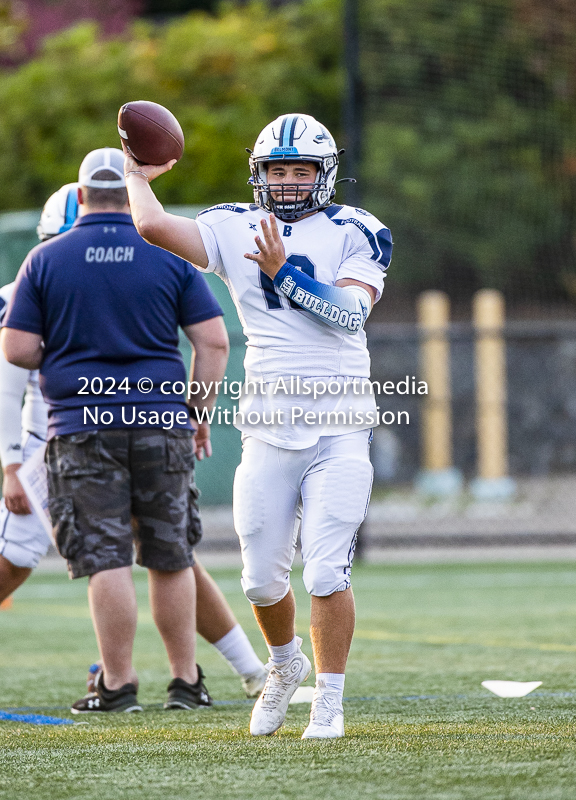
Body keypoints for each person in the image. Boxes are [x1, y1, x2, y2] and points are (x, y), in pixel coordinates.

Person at [0, 181, 266, 703]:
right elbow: (9, 390)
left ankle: (225, 671)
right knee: (143, 556)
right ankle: (212, 673)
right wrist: (14, 464)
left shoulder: (60, 267)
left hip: (83, 439)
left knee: (158, 556)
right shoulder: (53, 276)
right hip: (53, 446)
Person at [122, 113, 392, 738]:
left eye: (302, 170)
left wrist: (285, 277)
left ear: (325, 174)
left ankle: (330, 697)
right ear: (259, 174)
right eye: (278, 170)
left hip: (340, 421)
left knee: (326, 569)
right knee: (260, 577)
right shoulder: (230, 223)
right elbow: (152, 225)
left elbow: (349, 316)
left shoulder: (358, 230)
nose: (290, 182)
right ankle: (283, 663)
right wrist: (137, 174)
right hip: (268, 423)